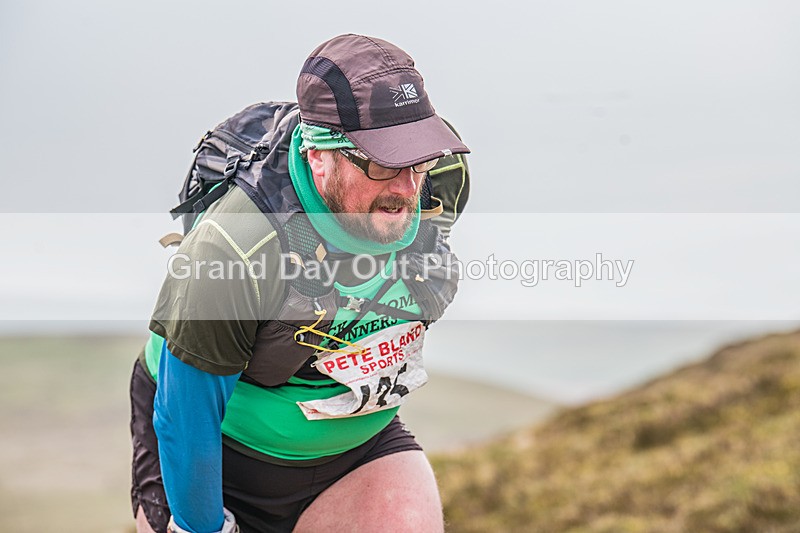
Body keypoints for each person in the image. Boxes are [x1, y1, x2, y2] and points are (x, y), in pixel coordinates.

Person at [129, 33, 470, 533]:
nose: (406, 188)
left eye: (417, 160)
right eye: (383, 163)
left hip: (354, 450)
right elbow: (186, 414)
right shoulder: (235, 247)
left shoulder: (443, 176)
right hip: (215, 458)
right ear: (319, 158)